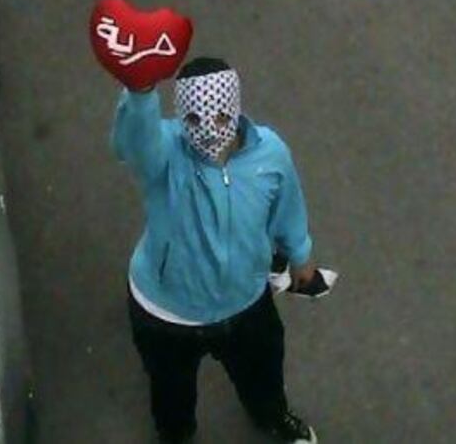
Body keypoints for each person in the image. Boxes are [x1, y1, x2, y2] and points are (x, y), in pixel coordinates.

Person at [111, 57, 319, 443]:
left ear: (235, 110)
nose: (208, 132)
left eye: (222, 119)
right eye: (193, 122)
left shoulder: (269, 153)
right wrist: (140, 94)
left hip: (246, 302)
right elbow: (132, 146)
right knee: (171, 394)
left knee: (263, 372)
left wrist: (300, 254)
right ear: (180, 117)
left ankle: (272, 416)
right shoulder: (165, 152)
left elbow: (287, 205)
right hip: (166, 314)